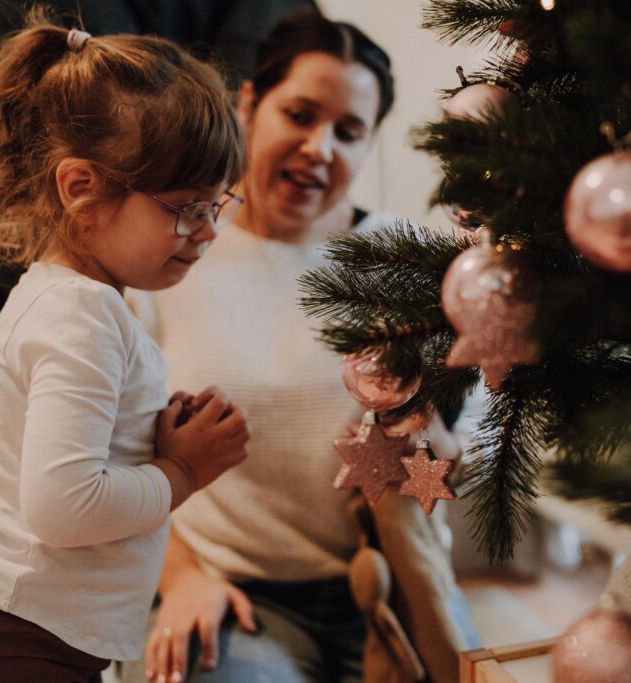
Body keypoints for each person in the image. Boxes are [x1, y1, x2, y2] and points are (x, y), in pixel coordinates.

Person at [121, 10, 478, 683]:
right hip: (232, 595)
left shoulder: (405, 262)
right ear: (249, 103)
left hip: (389, 591)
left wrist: (437, 445)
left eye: (349, 131)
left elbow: (464, 431)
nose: (321, 148)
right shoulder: (170, 256)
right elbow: (110, 451)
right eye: (301, 114)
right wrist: (180, 575)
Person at [0, 13, 250, 681]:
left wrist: (154, 434)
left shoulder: (75, 302)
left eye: (213, 204)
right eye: (182, 207)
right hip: (11, 644)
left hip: (24, 629)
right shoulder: (77, 318)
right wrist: (184, 473)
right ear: (81, 188)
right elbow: (63, 504)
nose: (205, 231)